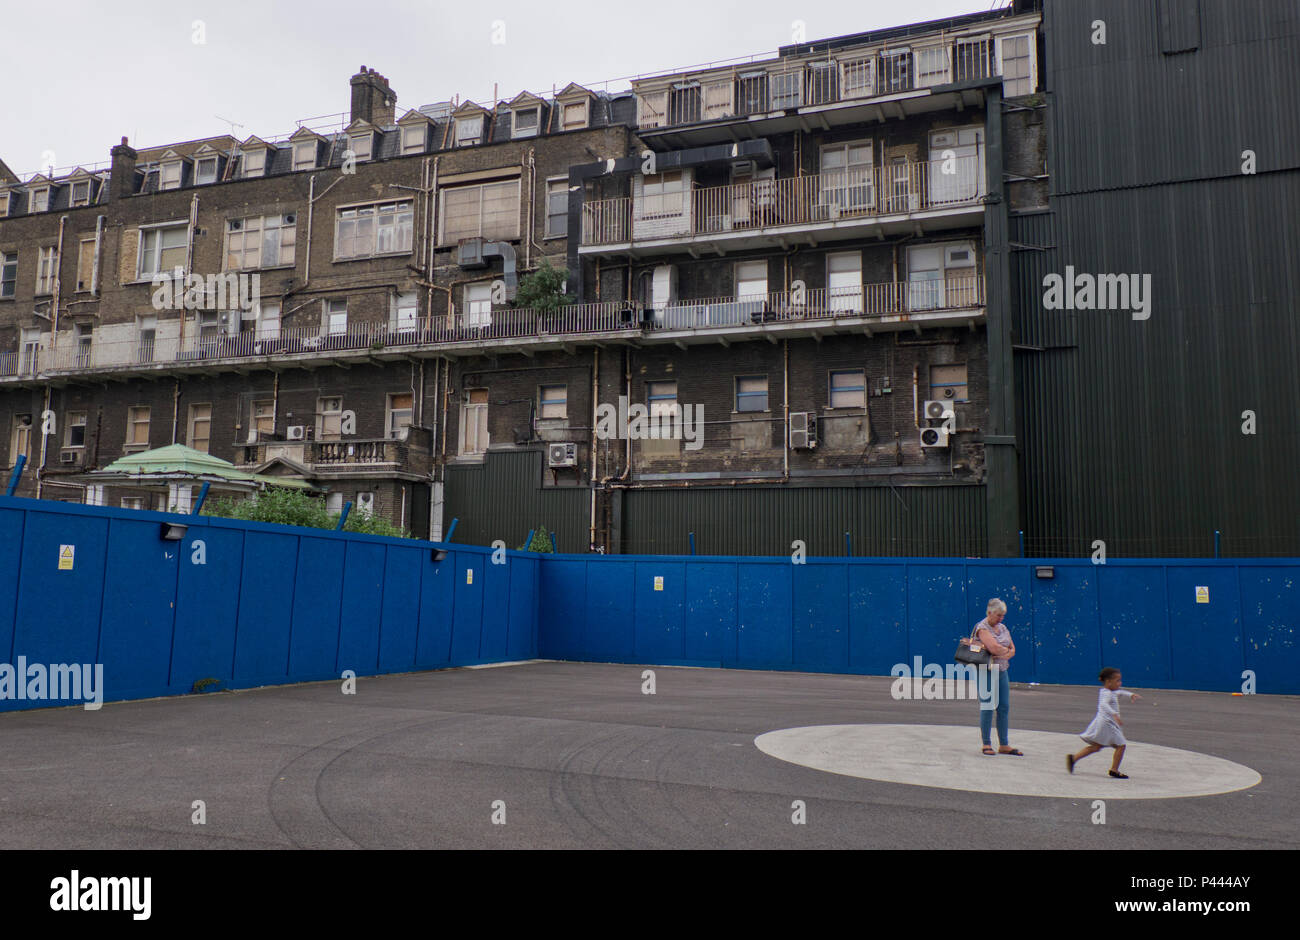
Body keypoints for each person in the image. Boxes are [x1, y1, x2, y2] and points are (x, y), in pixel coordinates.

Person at [1068, 668, 1142, 778]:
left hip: (1104, 723)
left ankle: (1073, 759)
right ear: (1108, 682)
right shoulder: (1107, 694)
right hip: (1108, 724)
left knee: (1096, 747)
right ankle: (1114, 769)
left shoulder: (1108, 691)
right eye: (1117, 681)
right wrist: (1114, 714)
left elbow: (1120, 692)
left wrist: (1130, 694)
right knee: (1121, 745)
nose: (1120, 683)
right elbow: (1103, 704)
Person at [973, 598, 1020, 756]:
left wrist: (1005, 651)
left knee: (1004, 707)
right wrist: (1005, 651)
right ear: (989, 613)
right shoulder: (982, 628)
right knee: (987, 706)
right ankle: (986, 743)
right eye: (998, 615)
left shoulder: (1003, 627)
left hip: (1002, 670)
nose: (1001, 618)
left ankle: (1004, 744)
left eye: (1003, 616)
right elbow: (993, 648)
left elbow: (1013, 648)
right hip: (986, 671)